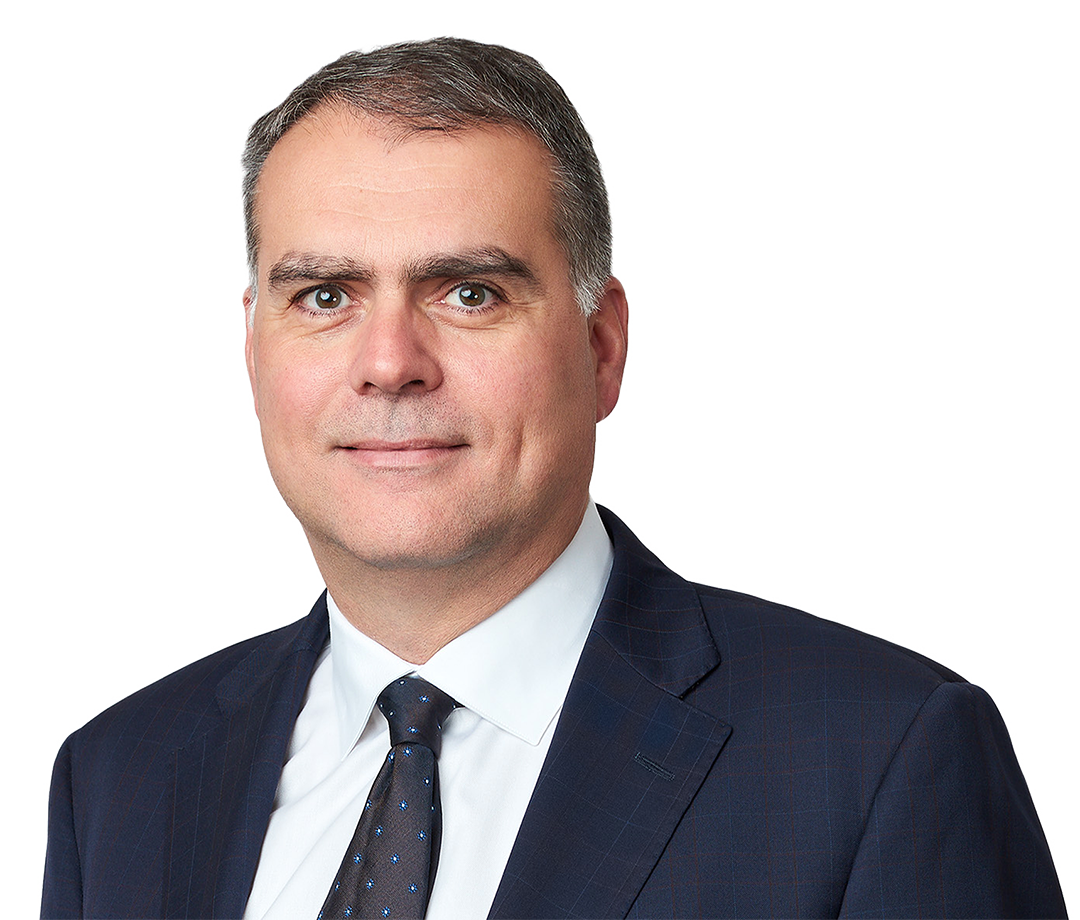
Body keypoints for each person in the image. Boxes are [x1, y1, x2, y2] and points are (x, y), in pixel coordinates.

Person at [41, 37, 1066, 920]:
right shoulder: (118, 778)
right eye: (324, 296)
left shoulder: (879, 758)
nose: (389, 362)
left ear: (601, 347)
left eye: (470, 292)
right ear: (253, 350)